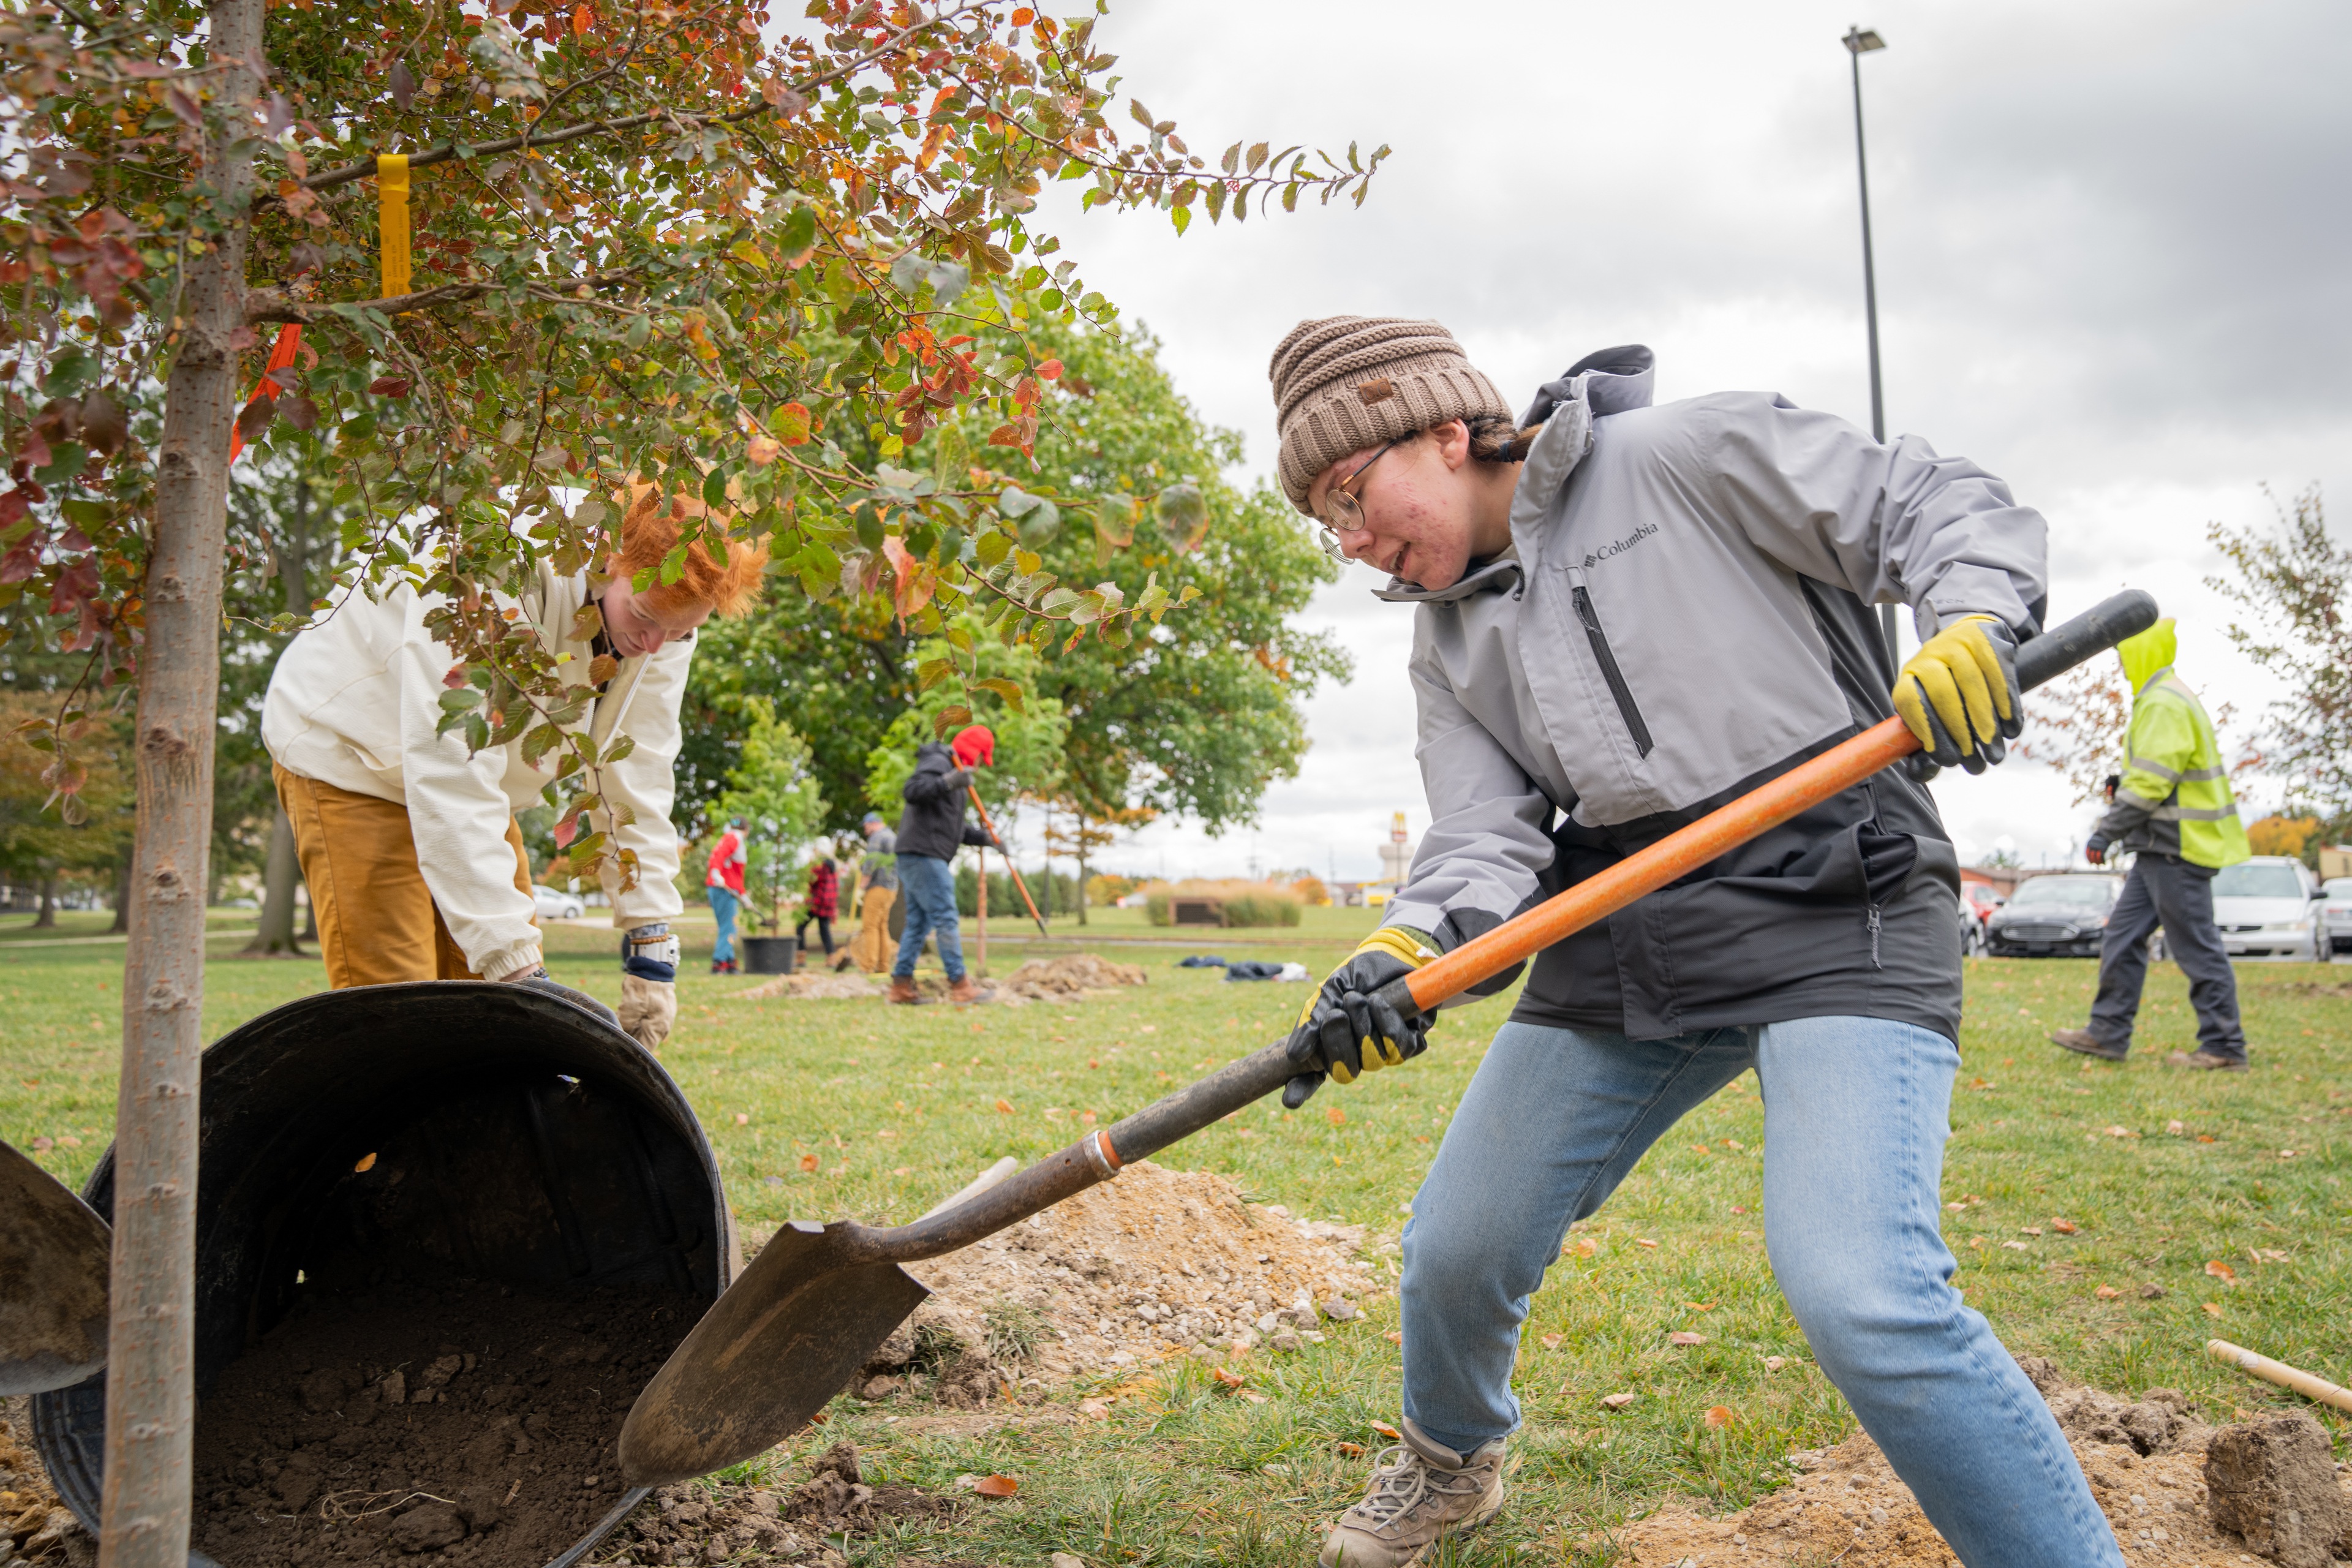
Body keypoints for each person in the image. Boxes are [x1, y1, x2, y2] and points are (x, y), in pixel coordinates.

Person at [1267, 318, 2122, 1568]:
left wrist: (1975, 619)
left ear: (1448, 433)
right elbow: (1482, 834)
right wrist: (1410, 945)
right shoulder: (1444, 637)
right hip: (1631, 930)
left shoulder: (1685, 454)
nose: (1348, 539)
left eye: (1350, 492)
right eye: (1323, 519)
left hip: (1842, 896)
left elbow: (1930, 502)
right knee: (1460, 1241)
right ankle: (1451, 1463)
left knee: (1861, 1289)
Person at [263, 488, 764, 1049]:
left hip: (481, 785)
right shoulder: (495, 555)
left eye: (678, 632)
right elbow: (450, 762)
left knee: (499, 1035)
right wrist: (520, 972)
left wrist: (651, 940)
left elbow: (638, 767)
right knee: (402, 1027)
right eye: (644, 617)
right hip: (355, 760)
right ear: (606, 563)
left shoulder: (664, 627)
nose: (652, 646)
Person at [2050, 619, 2252, 1071]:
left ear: (2143, 653)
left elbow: (2151, 783)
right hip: (2160, 848)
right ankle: (2107, 1032)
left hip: (2177, 848)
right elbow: (2158, 774)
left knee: (2196, 947)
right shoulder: (2164, 699)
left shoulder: (2164, 702)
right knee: (2122, 937)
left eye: (2124, 654)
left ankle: (2224, 1046)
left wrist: (2108, 829)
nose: (2121, 664)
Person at [888, 723, 998, 1005]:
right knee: (945, 917)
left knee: (918, 923)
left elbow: (952, 828)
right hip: (925, 854)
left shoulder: (954, 774)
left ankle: (900, 986)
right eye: (979, 759)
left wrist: (985, 838)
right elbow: (913, 791)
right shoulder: (939, 763)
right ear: (973, 752)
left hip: (919, 852)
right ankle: (960, 985)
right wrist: (949, 781)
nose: (977, 766)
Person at [844, 811, 899, 973]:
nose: (865, 830)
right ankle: (883, 966)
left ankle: (868, 966)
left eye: (866, 826)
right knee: (882, 927)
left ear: (874, 823)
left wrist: (862, 887)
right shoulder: (892, 836)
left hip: (877, 888)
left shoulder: (877, 837)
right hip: (891, 889)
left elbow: (871, 863)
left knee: (870, 927)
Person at [706, 817, 748, 974]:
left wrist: (743, 895)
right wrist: (716, 873)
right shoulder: (735, 838)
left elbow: (736, 873)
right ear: (746, 830)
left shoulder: (727, 838)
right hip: (723, 889)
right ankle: (719, 962)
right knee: (729, 927)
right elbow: (719, 858)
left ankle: (730, 962)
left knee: (726, 926)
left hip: (719, 888)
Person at [796, 856, 840, 960]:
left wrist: (811, 865)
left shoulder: (820, 866)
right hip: (828, 904)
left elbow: (811, 880)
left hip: (816, 903)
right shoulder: (833, 867)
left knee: (800, 927)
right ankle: (831, 958)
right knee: (825, 931)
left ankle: (801, 957)